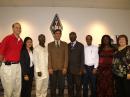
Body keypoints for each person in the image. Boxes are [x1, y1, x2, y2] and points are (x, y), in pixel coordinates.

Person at [0, 22, 23, 97]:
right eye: (17, 27)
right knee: (8, 89)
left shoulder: (21, 41)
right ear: (12, 28)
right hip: (8, 66)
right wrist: (1, 61)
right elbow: (1, 52)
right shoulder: (7, 38)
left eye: (20, 28)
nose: (18, 29)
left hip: (18, 66)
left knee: (17, 88)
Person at [48, 29, 68, 97]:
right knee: (53, 86)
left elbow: (66, 57)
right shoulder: (49, 45)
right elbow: (49, 57)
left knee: (61, 86)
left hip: (62, 69)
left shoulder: (65, 44)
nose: (57, 34)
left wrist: (65, 67)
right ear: (54, 35)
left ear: (61, 35)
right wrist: (50, 67)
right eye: (56, 33)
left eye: (59, 33)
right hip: (52, 69)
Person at [67, 32, 84, 97]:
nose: (71, 37)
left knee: (78, 86)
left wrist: (81, 69)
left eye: (73, 36)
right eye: (70, 36)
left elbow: (82, 58)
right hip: (69, 70)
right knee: (70, 86)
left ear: (76, 37)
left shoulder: (80, 45)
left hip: (78, 71)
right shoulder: (67, 45)